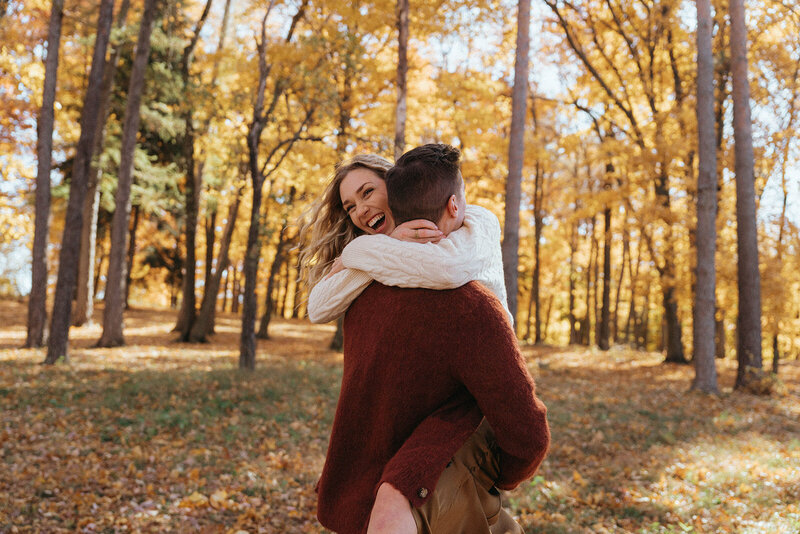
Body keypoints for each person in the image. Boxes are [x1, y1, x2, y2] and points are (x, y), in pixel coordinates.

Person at [306, 144, 550, 533]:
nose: (360, 210)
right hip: (393, 445)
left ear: (397, 186)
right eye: (350, 206)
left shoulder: (469, 239)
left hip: (463, 423)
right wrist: (377, 250)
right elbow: (317, 307)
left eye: (368, 192)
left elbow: (446, 268)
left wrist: (370, 250)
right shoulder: (365, 284)